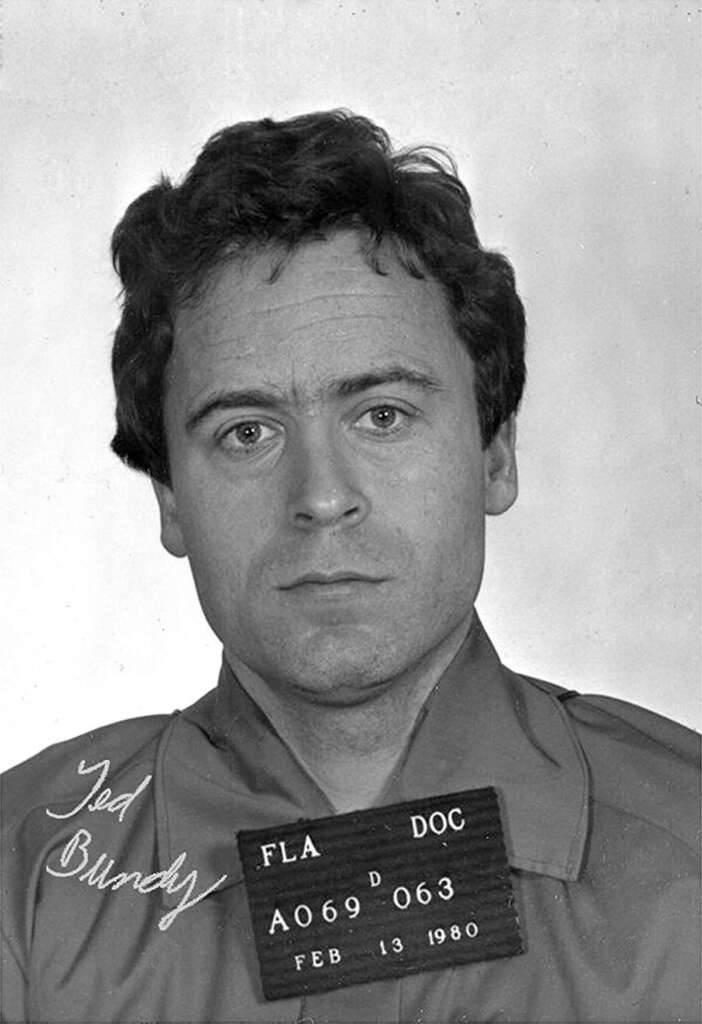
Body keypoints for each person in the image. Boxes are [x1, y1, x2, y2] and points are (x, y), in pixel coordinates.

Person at [1, 110, 699, 1024]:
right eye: (246, 433)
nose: (322, 495)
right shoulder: (24, 884)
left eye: (382, 415)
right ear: (170, 498)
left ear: (495, 457)